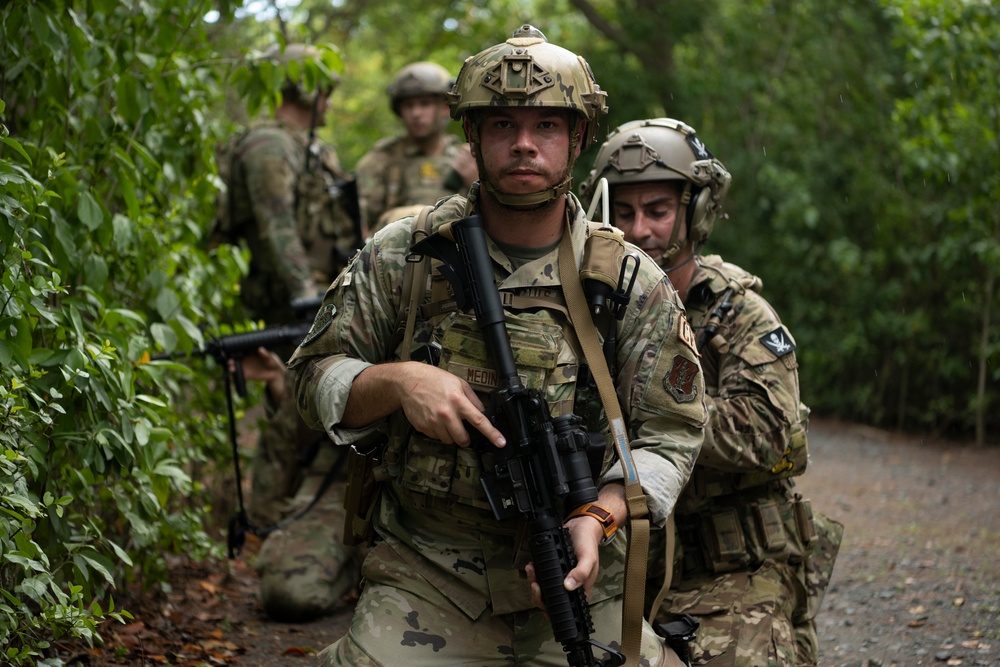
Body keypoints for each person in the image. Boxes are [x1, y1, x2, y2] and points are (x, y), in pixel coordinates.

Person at [288, 26, 707, 667]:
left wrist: (599, 516)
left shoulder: (627, 277)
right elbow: (311, 376)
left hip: (577, 573)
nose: (523, 145)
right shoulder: (406, 253)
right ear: (473, 137)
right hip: (429, 573)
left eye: (546, 125)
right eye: (503, 124)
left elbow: (670, 434)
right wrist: (399, 382)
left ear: (578, 138)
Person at [580, 117, 844, 666]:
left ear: (695, 212)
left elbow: (773, 437)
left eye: (657, 210)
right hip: (610, 561)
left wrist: (650, 415)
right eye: (623, 212)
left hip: (728, 572)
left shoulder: (736, 312)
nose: (641, 230)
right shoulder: (585, 308)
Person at [213, 43, 363, 622]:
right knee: (275, 425)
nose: (330, 99)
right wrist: (310, 299)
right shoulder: (270, 144)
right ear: (307, 88)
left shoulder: (314, 151)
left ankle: (299, 524)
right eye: (323, 87)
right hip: (282, 316)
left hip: (314, 312)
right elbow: (277, 228)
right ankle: (263, 525)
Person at [354, 60, 477, 238]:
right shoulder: (381, 160)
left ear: (444, 108)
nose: (416, 113)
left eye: (425, 104)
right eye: (408, 106)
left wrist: (477, 183)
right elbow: (359, 226)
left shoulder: (468, 159)